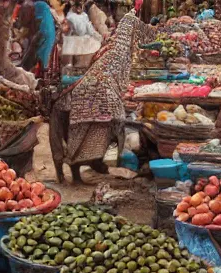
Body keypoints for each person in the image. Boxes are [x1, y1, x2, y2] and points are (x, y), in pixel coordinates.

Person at [50, 12, 154, 183]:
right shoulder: (120, 50)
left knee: (85, 133)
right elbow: (117, 79)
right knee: (96, 131)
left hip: (85, 90)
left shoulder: (111, 47)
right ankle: (81, 168)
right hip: (94, 95)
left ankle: (93, 164)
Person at [18, 0, 57, 76]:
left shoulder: (30, 6)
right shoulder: (41, 6)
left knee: (35, 50)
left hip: (44, 32)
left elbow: (27, 23)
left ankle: (27, 70)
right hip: (48, 32)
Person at [62, 2, 102, 69]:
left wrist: (97, 36)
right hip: (74, 39)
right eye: (77, 7)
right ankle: (70, 63)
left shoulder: (84, 15)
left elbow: (90, 29)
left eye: (80, 7)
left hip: (84, 38)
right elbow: (68, 31)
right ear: (73, 7)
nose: (79, 9)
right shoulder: (70, 17)